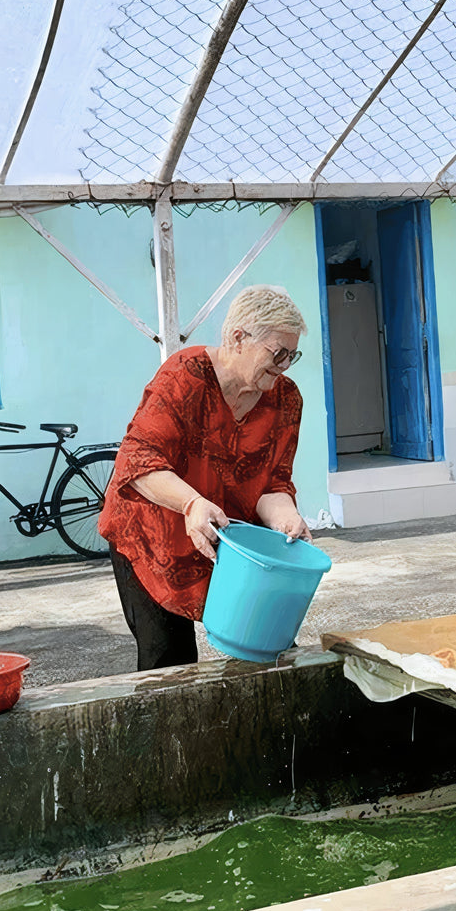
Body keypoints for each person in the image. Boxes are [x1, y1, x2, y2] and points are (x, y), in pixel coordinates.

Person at [99, 284, 311, 671]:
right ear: (238, 338)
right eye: (277, 352)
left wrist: (285, 517)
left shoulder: (286, 400)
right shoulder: (185, 377)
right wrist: (191, 503)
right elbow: (138, 460)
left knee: (265, 648)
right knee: (169, 658)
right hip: (153, 535)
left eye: (292, 355)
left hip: (225, 538)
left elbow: (274, 482)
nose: (284, 364)